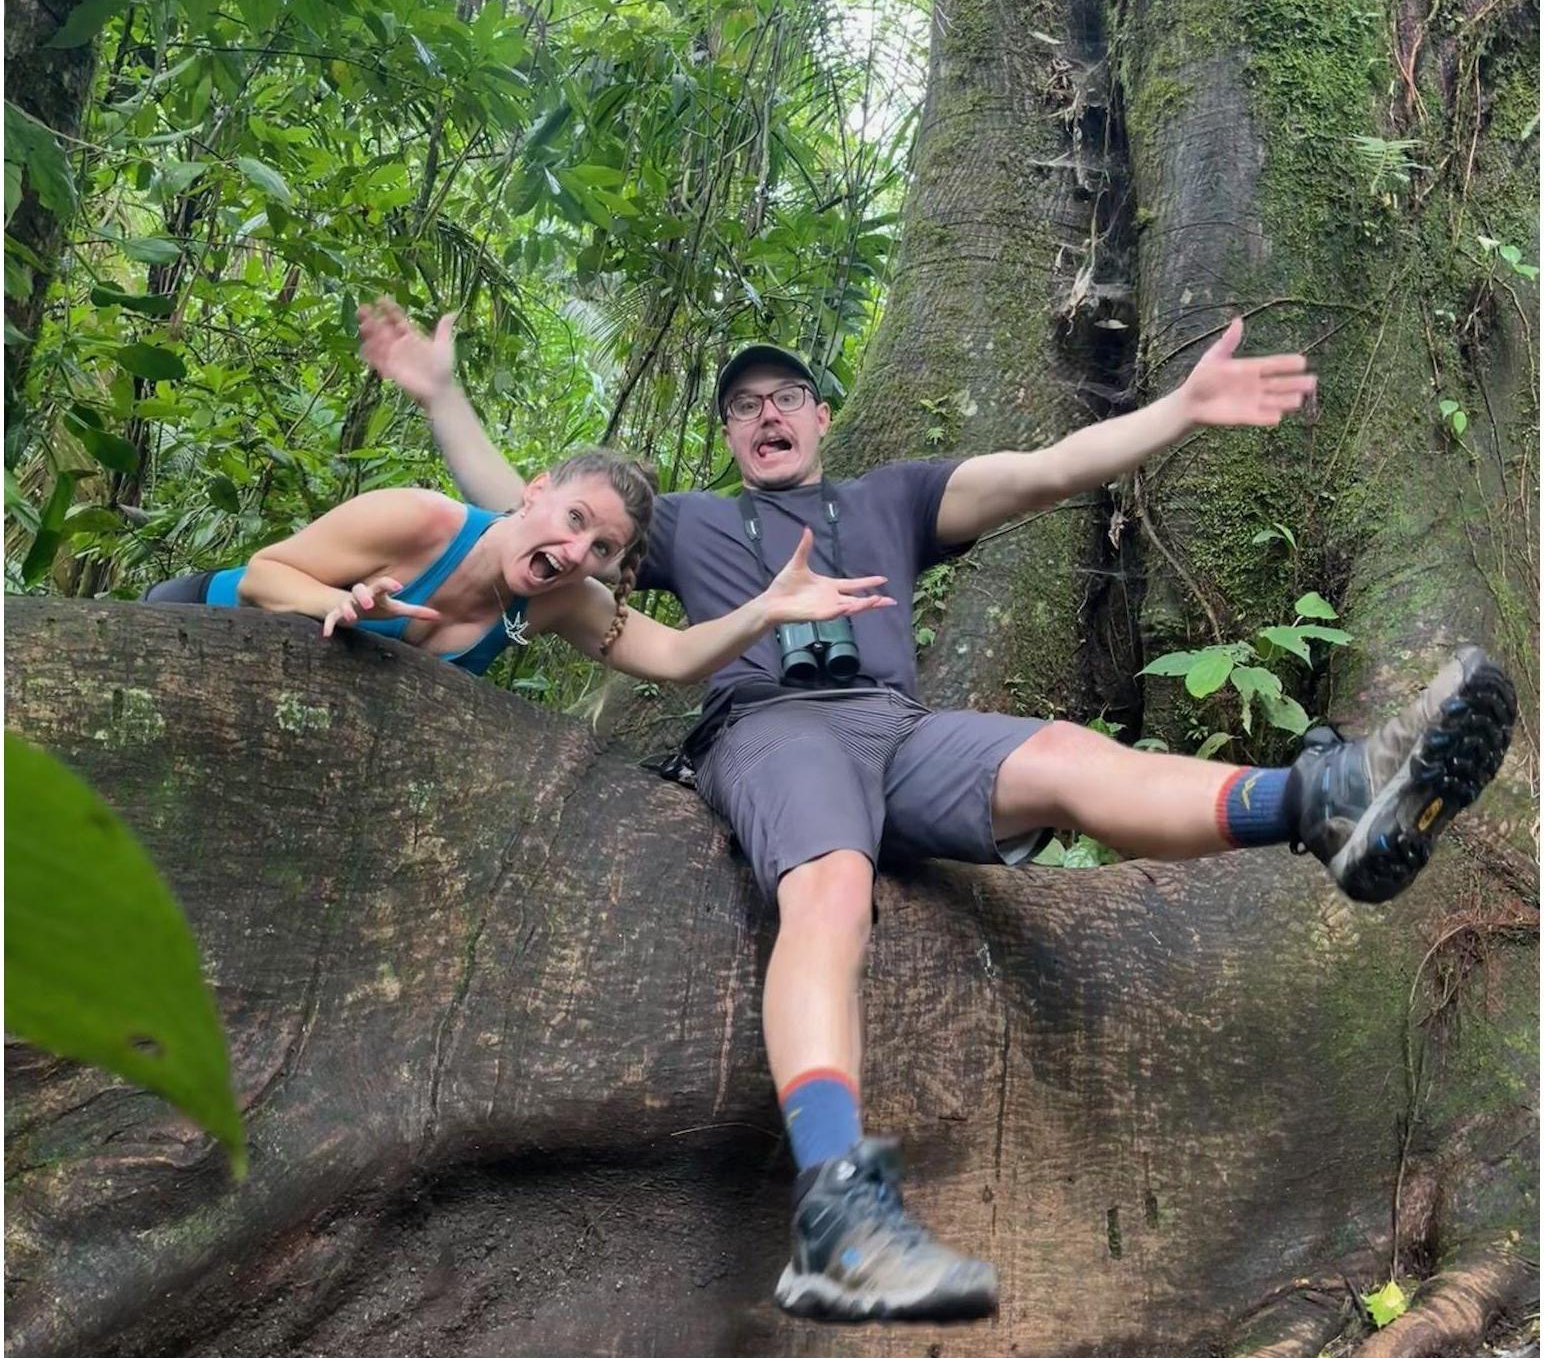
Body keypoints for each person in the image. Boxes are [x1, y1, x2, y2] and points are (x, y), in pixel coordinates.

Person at [359, 299, 1517, 1323]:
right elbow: (534, 519)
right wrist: (443, 394)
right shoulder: (689, 526)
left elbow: (1051, 467)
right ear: (727, 433)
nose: (765, 414)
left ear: (819, 417)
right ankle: (840, 1217)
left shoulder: (890, 498)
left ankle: (1322, 803)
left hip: (900, 727)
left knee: (1067, 757)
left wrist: (1179, 407)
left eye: (785, 398)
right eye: (743, 404)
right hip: (769, 726)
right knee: (827, 891)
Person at [142, 445, 897, 686]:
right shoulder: (421, 520)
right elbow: (263, 573)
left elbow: (671, 658)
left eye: (601, 548)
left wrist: (765, 610)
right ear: (534, 494)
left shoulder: (563, 600)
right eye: (573, 520)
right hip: (190, 628)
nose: (576, 553)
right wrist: (332, 606)